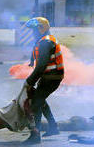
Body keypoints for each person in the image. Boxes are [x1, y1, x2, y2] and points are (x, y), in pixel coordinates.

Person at [22, 17, 64, 145]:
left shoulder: (45, 42)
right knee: (40, 99)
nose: (33, 33)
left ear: (41, 29)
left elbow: (41, 66)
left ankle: (35, 135)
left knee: (36, 103)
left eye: (34, 30)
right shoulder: (44, 39)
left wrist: (29, 81)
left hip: (51, 77)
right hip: (50, 76)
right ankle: (53, 127)